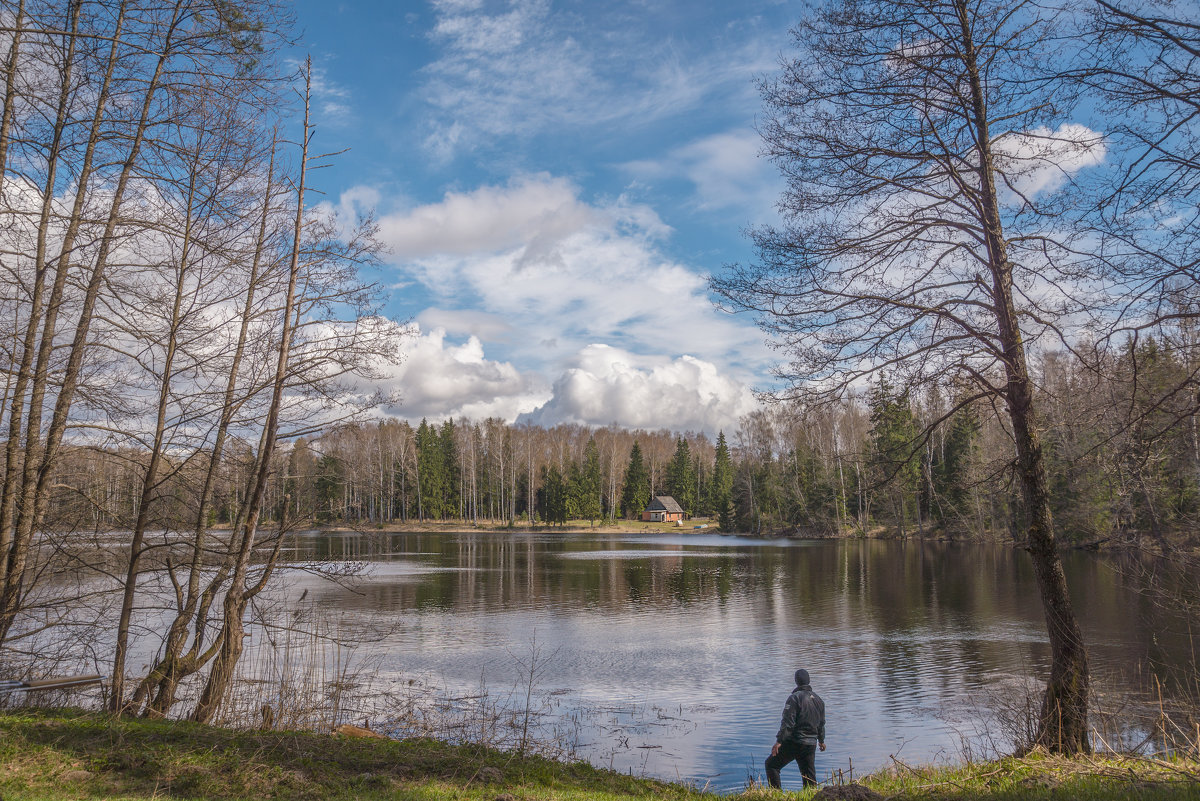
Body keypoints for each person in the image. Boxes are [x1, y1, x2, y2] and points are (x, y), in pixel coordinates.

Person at [765, 668, 825, 789]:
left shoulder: (794, 698)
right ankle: (812, 796)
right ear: (809, 681)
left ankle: (776, 795)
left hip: (795, 742)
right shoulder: (819, 700)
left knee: (771, 765)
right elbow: (821, 723)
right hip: (811, 744)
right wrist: (821, 740)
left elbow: (788, 723)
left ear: (796, 681)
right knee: (809, 778)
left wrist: (779, 741)